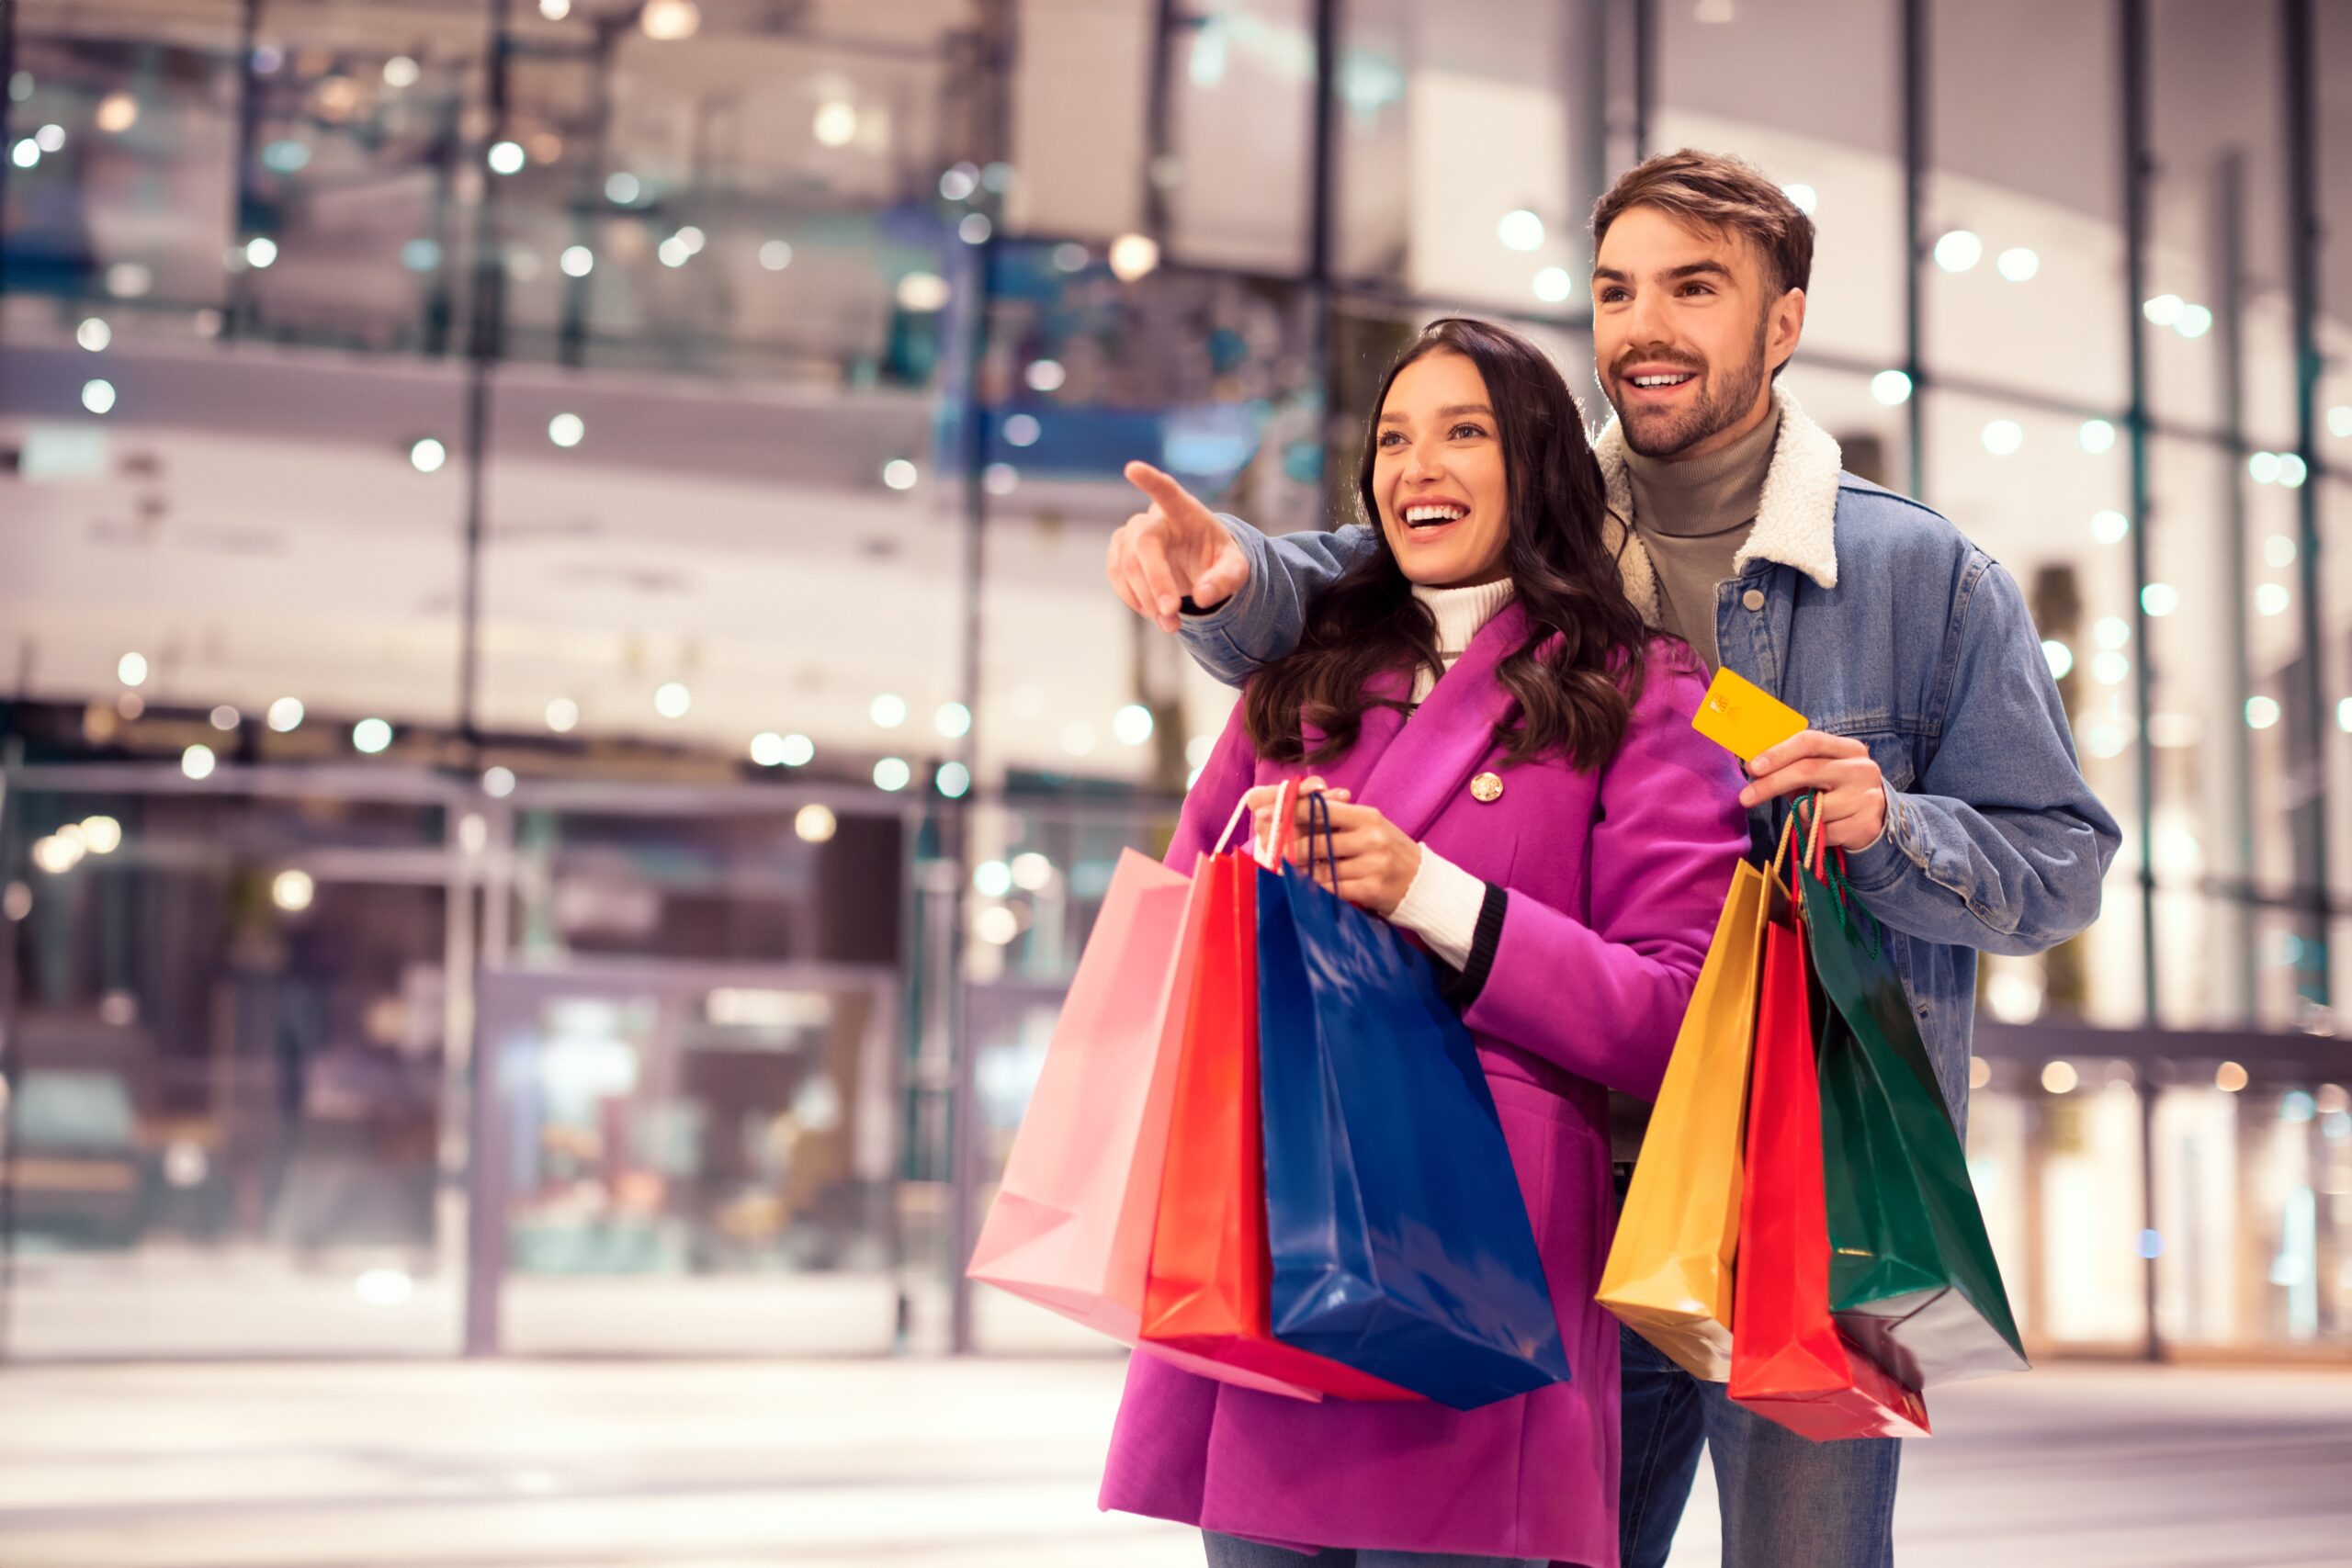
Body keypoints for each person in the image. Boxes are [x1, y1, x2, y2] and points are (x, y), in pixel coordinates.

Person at [1105, 151, 2120, 1568]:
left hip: (1793, 1198)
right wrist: (1218, 581)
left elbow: (2061, 863)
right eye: (1617, 290)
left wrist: (1892, 825)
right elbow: (1336, 577)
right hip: (1565, 1186)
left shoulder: (1919, 579)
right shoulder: (1540, 503)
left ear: (1783, 323)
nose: (1644, 325)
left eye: (1695, 289)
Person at [1098, 317, 1749, 1567]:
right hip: (1277, 1235)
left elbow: (1678, 1018)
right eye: (1395, 438)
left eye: (1464, 432)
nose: (1417, 467)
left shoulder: (1640, 688)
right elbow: (1186, 929)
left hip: (1480, 1262)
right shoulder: (1304, 677)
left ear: (1541, 466)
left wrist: (1430, 894)